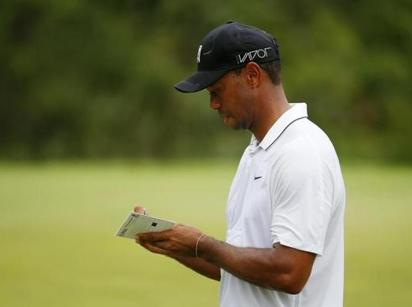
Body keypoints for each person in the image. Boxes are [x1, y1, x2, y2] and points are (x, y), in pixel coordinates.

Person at [135, 21, 345, 307]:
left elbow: (289, 272)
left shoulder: (301, 152)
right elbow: (241, 269)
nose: (213, 104)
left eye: (216, 91)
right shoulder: (257, 152)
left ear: (252, 75)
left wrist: (202, 244)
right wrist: (175, 245)